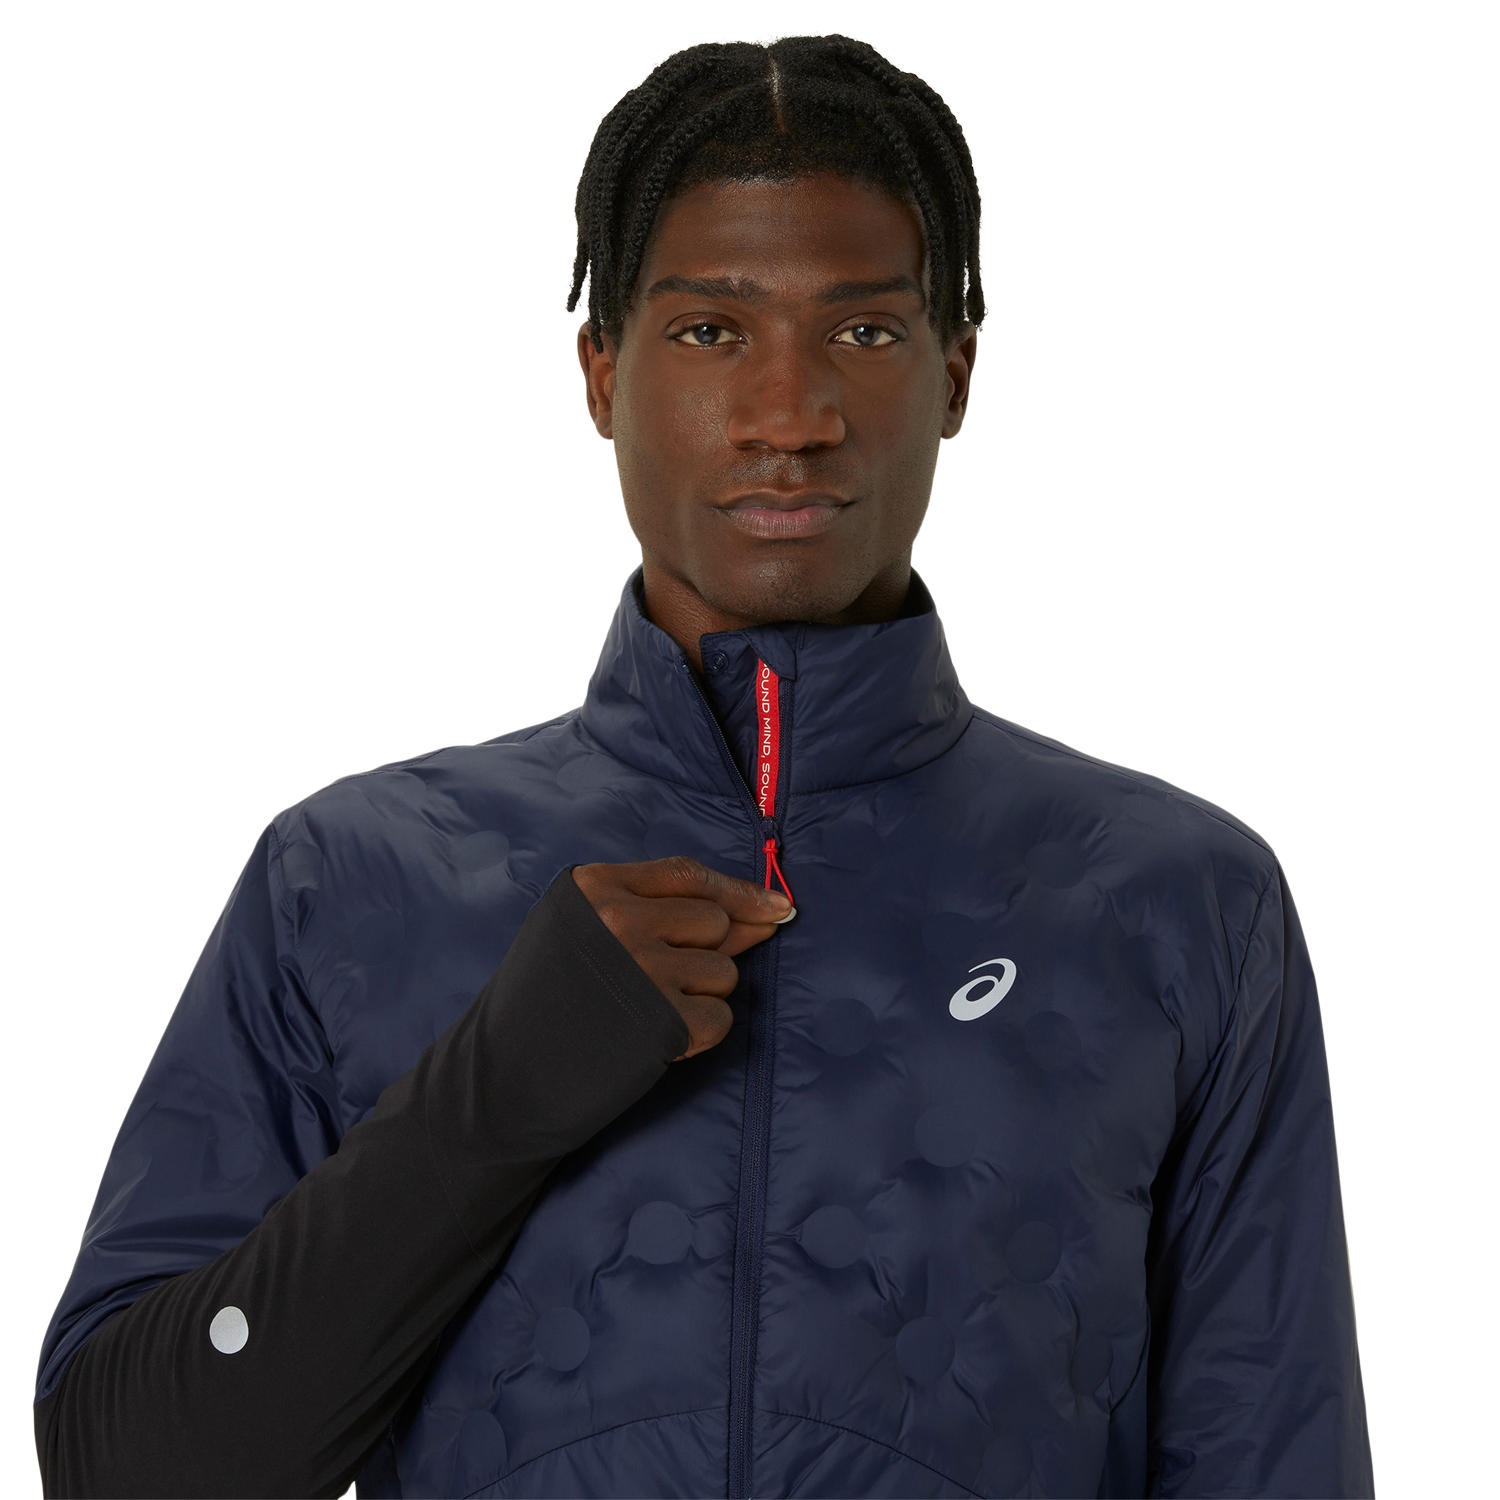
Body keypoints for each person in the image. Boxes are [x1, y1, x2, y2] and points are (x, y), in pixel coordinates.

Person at [33, 33, 1373, 1500]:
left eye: (865, 333)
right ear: (601, 372)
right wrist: (493, 1094)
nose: (790, 417)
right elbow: (125, 1465)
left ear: (956, 373)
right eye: (711, 331)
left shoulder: (1175, 906)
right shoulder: (354, 882)